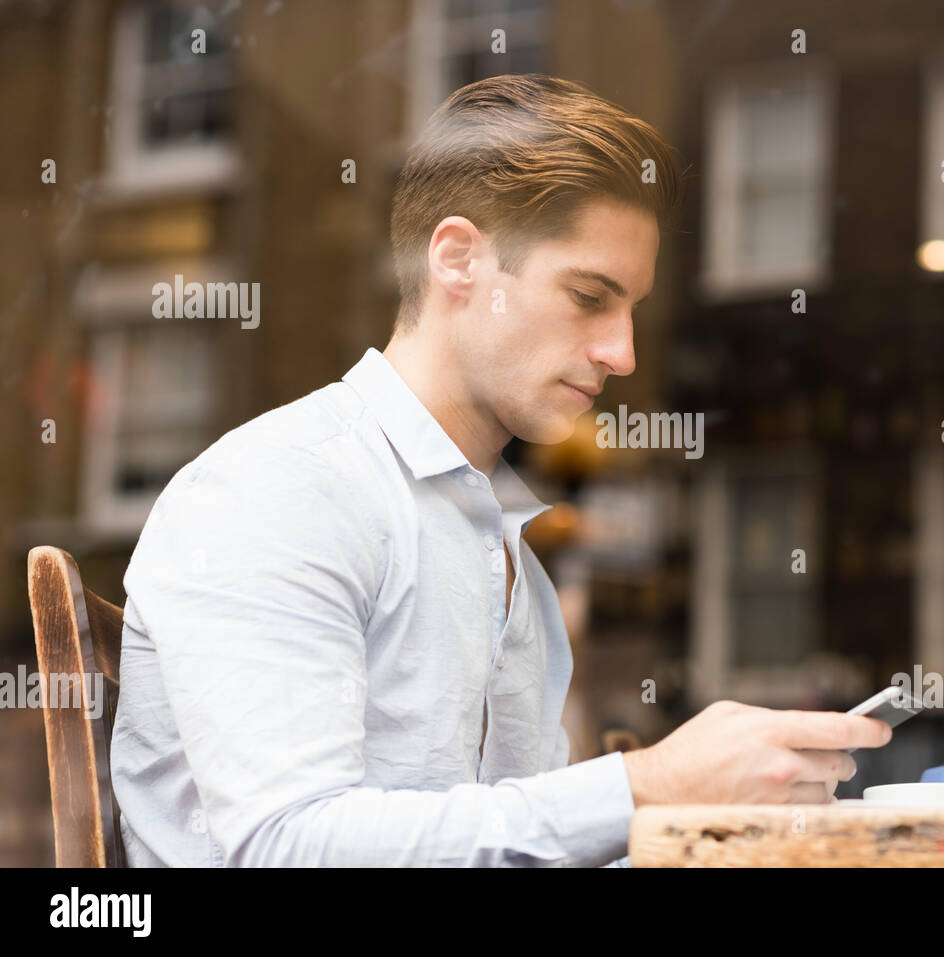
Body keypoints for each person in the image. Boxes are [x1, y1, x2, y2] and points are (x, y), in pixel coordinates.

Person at [110, 73, 892, 867]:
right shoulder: (278, 488)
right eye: (590, 296)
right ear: (457, 261)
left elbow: (519, 844)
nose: (622, 354)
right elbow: (285, 846)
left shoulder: (503, 551)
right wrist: (647, 787)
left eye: (632, 313)